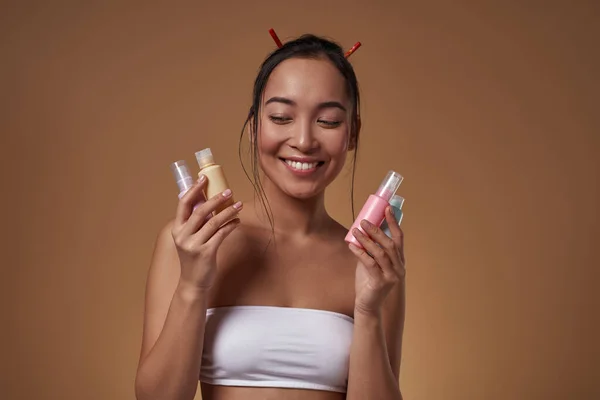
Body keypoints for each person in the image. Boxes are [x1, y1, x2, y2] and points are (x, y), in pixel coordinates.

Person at [134, 33, 406, 400]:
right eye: (281, 117)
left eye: (327, 121)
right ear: (253, 128)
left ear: (352, 133)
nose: (304, 140)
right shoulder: (190, 241)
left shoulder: (373, 260)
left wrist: (369, 311)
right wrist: (193, 285)